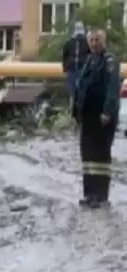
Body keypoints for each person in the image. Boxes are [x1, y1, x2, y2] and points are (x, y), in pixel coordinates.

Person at [74, 28, 119, 209]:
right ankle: (90, 194)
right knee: (88, 155)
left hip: (102, 116)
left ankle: (101, 196)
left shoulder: (110, 61)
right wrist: (76, 114)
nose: (94, 43)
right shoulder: (88, 61)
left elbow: (112, 89)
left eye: (97, 39)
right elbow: (80, 89)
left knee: (100, 156)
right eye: (91, 40)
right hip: (88, 115)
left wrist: (107, 112)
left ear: (104, 40)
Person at [63, 21, 90, 104]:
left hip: (83, 70)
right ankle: (74, 109)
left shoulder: (87, 43)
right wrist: (65, 68)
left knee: (83, 91)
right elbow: (64, 56)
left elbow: (91, 56)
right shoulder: (69, 43)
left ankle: (82, 109)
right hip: (72, 70)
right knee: (73, 91)